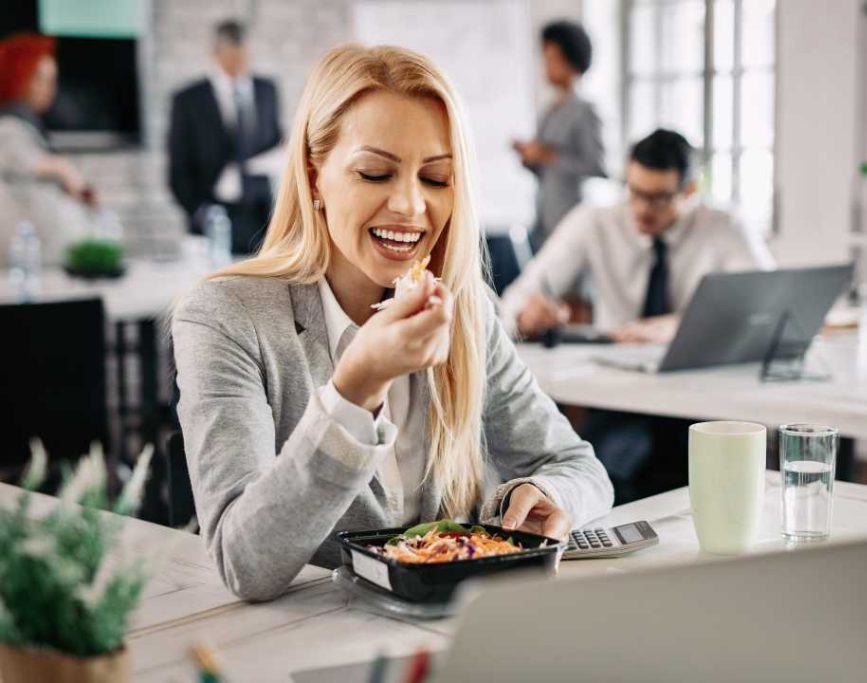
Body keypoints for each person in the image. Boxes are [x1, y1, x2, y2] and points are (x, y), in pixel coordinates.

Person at [171, 45, 613, 601]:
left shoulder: (464, 309)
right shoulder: (225, 318)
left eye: (436, 179)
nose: (409, 205)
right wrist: (354, 390)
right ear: (314, 178)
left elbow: (578, 466)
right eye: (376, 173)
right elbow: (243, 563)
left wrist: (543, 492)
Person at [502, 128, 774, 502]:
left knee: (709, 486)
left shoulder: (724, 227)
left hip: (701, 401)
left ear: (689, 192)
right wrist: (527, 315)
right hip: (620, 396)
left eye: (660, 198)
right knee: (607, 474)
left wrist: (678, 327)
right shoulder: (595, 220)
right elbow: (516, 299)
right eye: (635, 192)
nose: (642, 209)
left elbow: (768, 307)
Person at [168, 20, 282, 254]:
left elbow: (276, 140)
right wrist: (198, 211)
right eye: (230, 56)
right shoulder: (189, 99)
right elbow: (177, 165)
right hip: (211, 213)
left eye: (242, 55)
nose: (237, 62)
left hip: (260, 215)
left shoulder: (266, 90)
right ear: (215, 54)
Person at [0, 33, 95, 266]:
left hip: (44, 259)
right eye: (39, 79)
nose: (48, 89)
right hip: (27, 263)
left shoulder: (29, 127)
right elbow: (44, 167)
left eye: (52, 80)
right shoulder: (9, 129)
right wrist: (66, 171)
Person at [512, 20, 605, 249]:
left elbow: (598, 167)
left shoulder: (586, 111)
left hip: (572, 218)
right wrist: (529, 157)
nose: (545, 65)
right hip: (544, 217)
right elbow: (544, 171)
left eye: (552, 59)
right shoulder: (549, 110)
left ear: (570, 61)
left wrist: (549, 155)